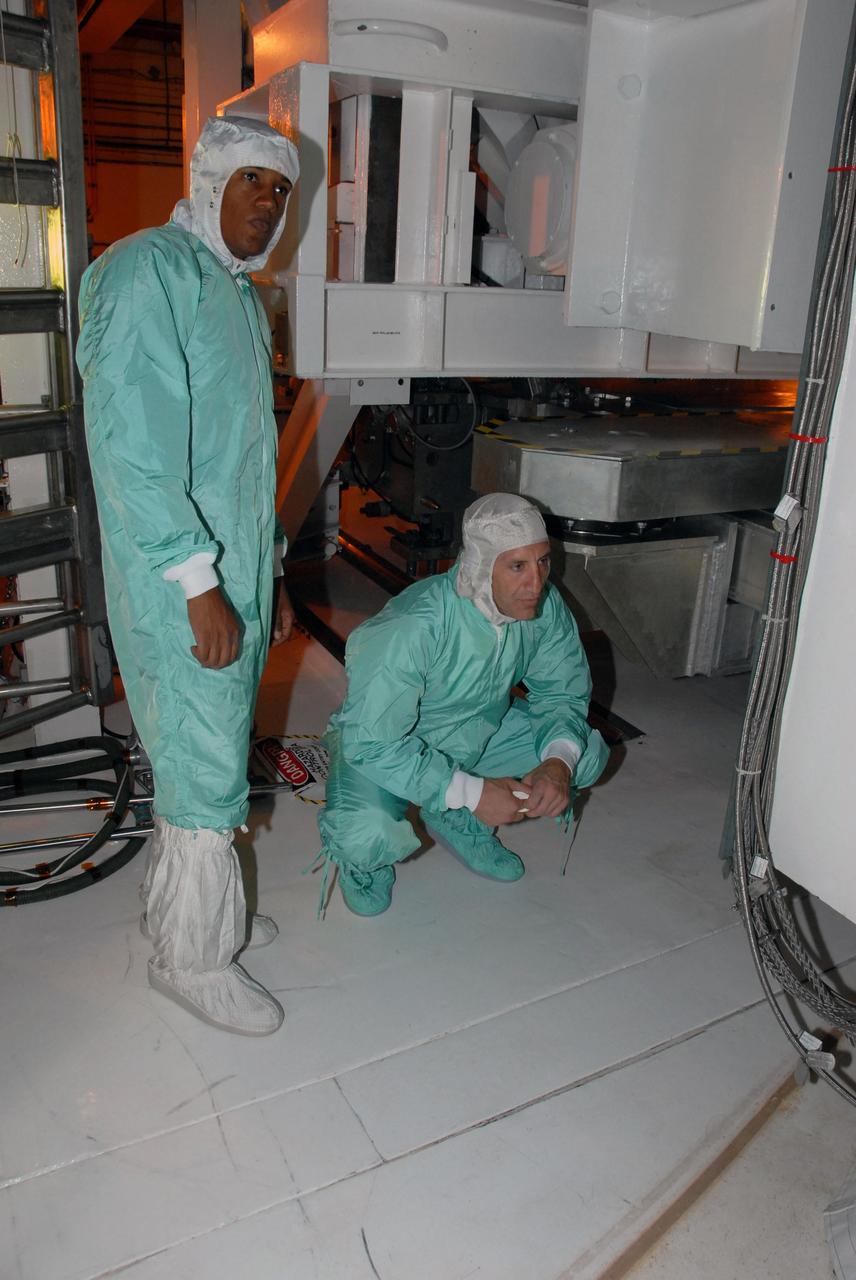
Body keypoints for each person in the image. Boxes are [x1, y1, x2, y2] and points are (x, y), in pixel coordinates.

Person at [77, 116, 299, 1035]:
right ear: (209, 182)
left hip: (229, 566)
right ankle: (193, 960)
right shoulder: (147, 272)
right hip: (179, 578)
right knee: (204, 756)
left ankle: (193, 908)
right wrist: (198, 579)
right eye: (253, 181)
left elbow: (243, 461)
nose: (268, 203)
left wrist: (269, 572)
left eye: (281, 189)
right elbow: (133, 445)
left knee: (202, 749)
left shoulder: (237, 292)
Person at [317, 493, 610, 915]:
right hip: (385, 744)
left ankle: (457, 818)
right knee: (365, 834)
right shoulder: (414, 625)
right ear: (481, 565)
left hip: (477, 732)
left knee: (583, 755)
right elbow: (373, 742)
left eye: (543, 561)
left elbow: (562, 692)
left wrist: (556, 761)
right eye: (517, 566)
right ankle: (367, 862)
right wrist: (472, 792)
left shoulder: (543, 607)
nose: (536, 583)